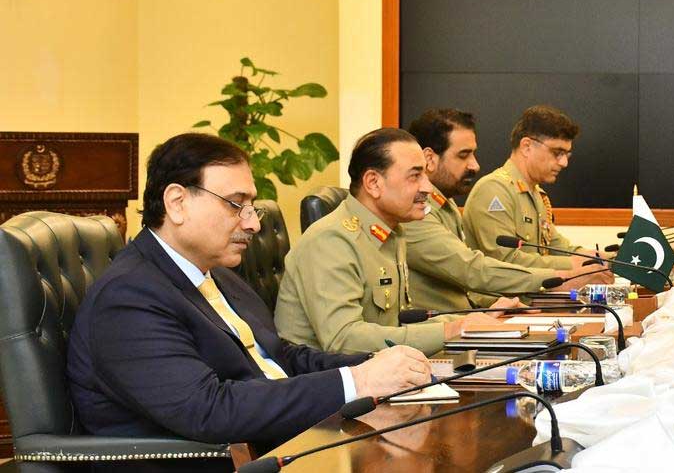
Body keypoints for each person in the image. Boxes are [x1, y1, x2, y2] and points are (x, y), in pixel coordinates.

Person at [66, 133, 430, 467]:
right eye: (235, 204)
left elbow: (279, 356)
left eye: (251, 206)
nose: (253, 223)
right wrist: (358, 381)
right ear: (177, 202)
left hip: (285, 444)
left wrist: (379, 364)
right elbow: (208, 409)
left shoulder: (217, 273)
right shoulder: (129, 297)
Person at [274, 128, 496, 355]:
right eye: (414, 176)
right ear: (373, 183)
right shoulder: (330, 240)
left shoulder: (392, 233)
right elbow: (344, 339)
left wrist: (473, 321)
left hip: (381, 373)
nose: (427, 188)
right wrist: (449, 331)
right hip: (328, 382)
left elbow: (394, 328)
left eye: (426, 176)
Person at [403, 108, 611, 312]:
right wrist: (566, 274)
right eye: (463, 155)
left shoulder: (446, 206)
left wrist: (600, 259)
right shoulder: (489, 191)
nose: (475, 165)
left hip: (481, 314)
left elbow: (557, 246)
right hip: (450, 331)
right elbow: (476, 269)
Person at [464, 105, 603, 269]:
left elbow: (557, 247)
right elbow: (506, 261)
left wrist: (605, 259)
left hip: (530, 293)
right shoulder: (494, 190)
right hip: (498, 295)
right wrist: (574, 264)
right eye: (557, 152)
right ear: (527, 146)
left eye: (567, 155)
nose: (564, 163)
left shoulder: (536, 194)